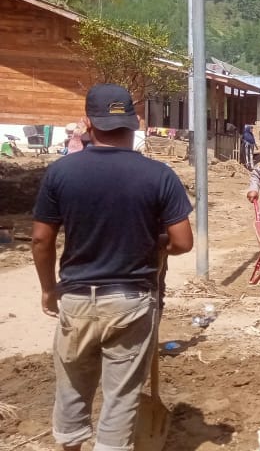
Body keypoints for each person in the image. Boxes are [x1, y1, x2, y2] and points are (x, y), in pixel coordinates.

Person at [31, 83, 194, 451]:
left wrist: (48, 289)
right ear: (135, 122)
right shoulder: (159, 175)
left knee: (72, 388)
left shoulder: (61, 172)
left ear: (88, 123)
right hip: (131, 302)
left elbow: (41, 241)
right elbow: (183, 242)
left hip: (76, 298)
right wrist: (152, 244)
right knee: (121, 399)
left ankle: (70, 444)